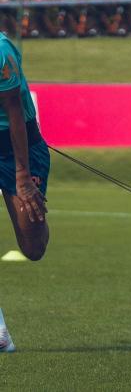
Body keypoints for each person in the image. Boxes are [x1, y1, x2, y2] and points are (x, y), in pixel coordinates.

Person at [0, 32, 50, 353]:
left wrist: (22, 176)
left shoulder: (1, 51)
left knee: (33, 246)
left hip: (19, 152)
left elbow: (15, 111)